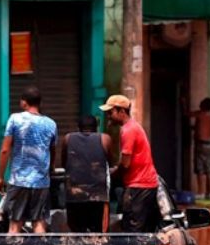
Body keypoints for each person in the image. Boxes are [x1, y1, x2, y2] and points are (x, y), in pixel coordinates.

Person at [0, 86, 58, 234]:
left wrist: (0, 177)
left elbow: (5, 150)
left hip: (19, 181)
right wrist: (50, 169)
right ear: (40, 103)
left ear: (24, 102)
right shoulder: (51, 124)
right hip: (41, 182)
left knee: (15, 224)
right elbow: (52, 151)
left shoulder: (15, 119)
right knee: (39, 223)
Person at [99, 94, 161, 232]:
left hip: (138, 187)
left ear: (121, 111)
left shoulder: (128, 130)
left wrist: (113, 174)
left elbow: (125, 164)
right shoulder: (132, 127)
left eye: (110, 112)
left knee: (132, 232)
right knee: (143, 231)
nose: (108, 116)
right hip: (145, 185)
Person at [61, 114, 113, 233]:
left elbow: (64, 163)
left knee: (76, 232)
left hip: (74, 195)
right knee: (98, 233)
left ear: (78, 128)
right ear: (96, 128)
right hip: (98, 196)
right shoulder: (105, 139)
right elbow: (110, 163)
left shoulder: (68, 138)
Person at [190, 97, 210, 200]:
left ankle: (201, 192)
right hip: (209, 144)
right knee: (208, 169)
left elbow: (188, 114)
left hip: (200, 144)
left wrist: (183, 103)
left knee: (200, 169)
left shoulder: (200, 114)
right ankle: (209, 193)